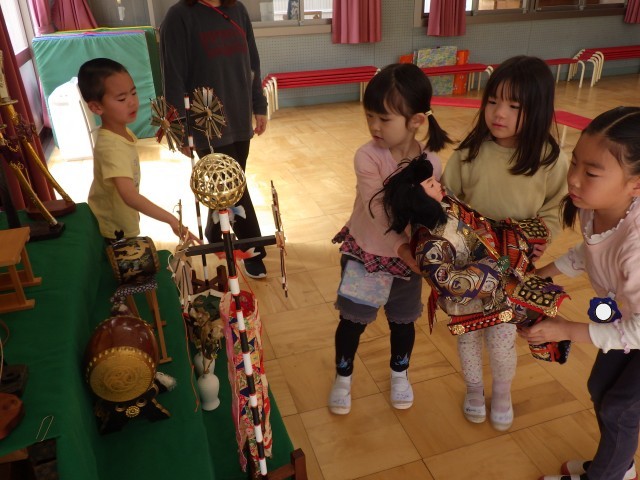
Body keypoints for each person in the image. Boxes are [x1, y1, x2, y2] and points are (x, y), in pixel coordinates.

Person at [441, 55, 569, 431]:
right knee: (467, 335)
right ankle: (473, 388)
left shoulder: (549, 159)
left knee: (501, 339)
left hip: (513, 271)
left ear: (538, 110)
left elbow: (555, 209)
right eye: (494, 101)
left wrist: (541, 237)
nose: (499, 113)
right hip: (466, 267)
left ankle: (502, 392)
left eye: (515, 106)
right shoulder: (469, 153)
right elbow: (447, 202)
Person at [519, 106, 640, 480]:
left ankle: (606, 475)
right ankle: (619, 466)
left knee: (619, 408)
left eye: (591, 173)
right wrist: (539, 276)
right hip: (627, 318)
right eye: (575, 164)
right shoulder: (594, 206)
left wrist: (565, 330)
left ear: (636, 184)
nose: (573, 179)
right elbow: (589, 252)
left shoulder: (637, 246)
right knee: (600, 387)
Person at [328, 63, 452, 415]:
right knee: (352, 321)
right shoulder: (368, 156)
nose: (374, 126)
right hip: (368, 255)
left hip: (408, 262)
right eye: (369, 116)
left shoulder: (431, 163)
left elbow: (433, 214)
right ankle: (343, 376)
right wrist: (402, 248)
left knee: (403, 320)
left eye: (383, 119)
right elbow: (376, 208)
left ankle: (400, 374)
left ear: (416, 121)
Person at [381, 157, 569, 362]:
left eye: (434, 180)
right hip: (477, 293)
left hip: (491, 260)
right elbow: (449, 282)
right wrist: (495, 268)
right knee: (520, 307)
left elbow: (474, 221)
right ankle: (545, 345)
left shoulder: (446, 203)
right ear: (417, 198)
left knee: (529, 278)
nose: (439, 184)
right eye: (431, 184)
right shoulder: (428, 243)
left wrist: (492, 234)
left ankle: (546, 336)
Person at [160, 0, 269, 279]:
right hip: (207, 121)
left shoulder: (238, 10)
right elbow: (173, 75)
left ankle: (214, 230)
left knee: (229, 182)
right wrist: (179, 127)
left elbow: (253, 64)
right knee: (234, 184)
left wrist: (259, 104)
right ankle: (253, 249)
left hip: (239, 113)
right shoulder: (179, 17)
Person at [78, 58, 198, 243]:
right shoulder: (111, 147)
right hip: (112, 231)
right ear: (96, 107)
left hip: (121, 221)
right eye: (121, 99)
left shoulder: (120, 132)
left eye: (133, 93)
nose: (132, 102)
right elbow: (129, 196)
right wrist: (172, 220)